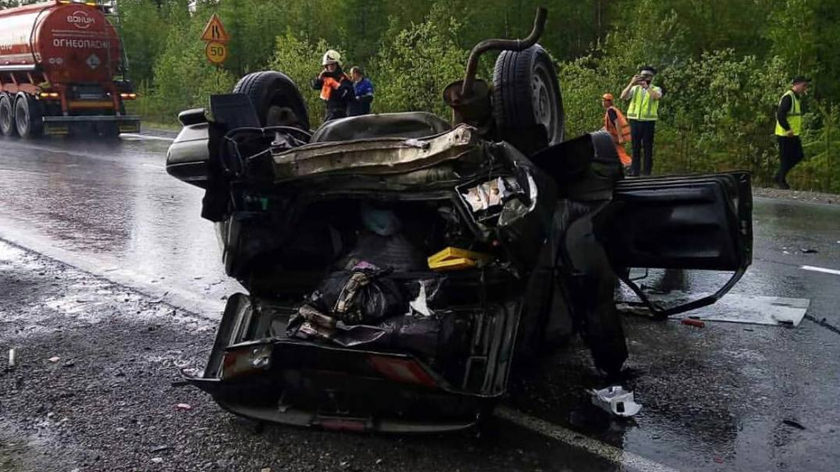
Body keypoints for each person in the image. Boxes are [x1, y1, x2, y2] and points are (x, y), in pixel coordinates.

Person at [620, 65, 663, 176]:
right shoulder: (635, 89)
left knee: (648, 148)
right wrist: (631, 83)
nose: (644, 79)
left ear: (651, 77)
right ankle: (635, 171)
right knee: (635, 147)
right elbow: (623, 96)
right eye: (642, 76)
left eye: (647, 76)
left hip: (648, 122)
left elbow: (656, 97)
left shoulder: (655, 88)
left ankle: (647, 173)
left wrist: (646, 87)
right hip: (635, 121)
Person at [774, 76, 810, 189]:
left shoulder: (796, 97)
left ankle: (779, 176)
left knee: (798, 156)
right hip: (785, 134)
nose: (805, 88)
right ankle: (781, 181)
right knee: (786, 158)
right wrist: (787, 128)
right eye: (804, 85)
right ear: (797, 85)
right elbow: (780, 114)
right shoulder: (788, 97)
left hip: (793, 134)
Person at [311, 50, 354, 121]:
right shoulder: (326, 77)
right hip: (329, 111)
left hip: (342, 112)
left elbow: (348, 94)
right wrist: (319, 78)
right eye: (328, 65)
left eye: (332, 64)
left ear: (337, 65)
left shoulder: (343, 78)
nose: (330, 67)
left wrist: (336, 86)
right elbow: (315, 86)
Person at [601, 93, 632, 170]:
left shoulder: (611, 111)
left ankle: (629, 164)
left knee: (620, 153)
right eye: (603, 100)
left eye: (605, 101)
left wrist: (620, 137)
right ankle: (625, 166)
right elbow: (610, 124)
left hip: (616, 138)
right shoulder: (611, 110)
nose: (603, 102)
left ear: (609, 102)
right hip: (614, 137)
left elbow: (617, 123)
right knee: (616, 153)